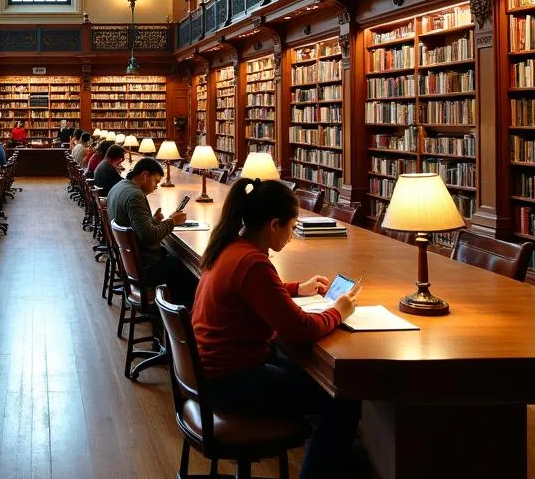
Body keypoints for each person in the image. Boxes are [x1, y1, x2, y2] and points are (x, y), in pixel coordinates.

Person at [191, 179, 361, 479]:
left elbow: (253, 291)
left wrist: (296, 288)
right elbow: (301, 329)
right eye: (291, 227)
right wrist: (338, 311)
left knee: (307, 377)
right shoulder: (253, 262)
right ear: (273, 225)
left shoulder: (230, 246)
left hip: (211, 372)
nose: (292, 236)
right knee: (341, 402)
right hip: (229, 380)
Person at [106, 156, 196, 306]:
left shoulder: (119, 187)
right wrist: (172, 221)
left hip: (131, 263)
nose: (156, 187)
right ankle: (179, 320)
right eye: (156, 181)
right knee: (188, 269)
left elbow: (136, 229)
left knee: (173, 258)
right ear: (145, 175)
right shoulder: (135, 195)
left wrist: (153, 221)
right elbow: (148, 236)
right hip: (145, 268)